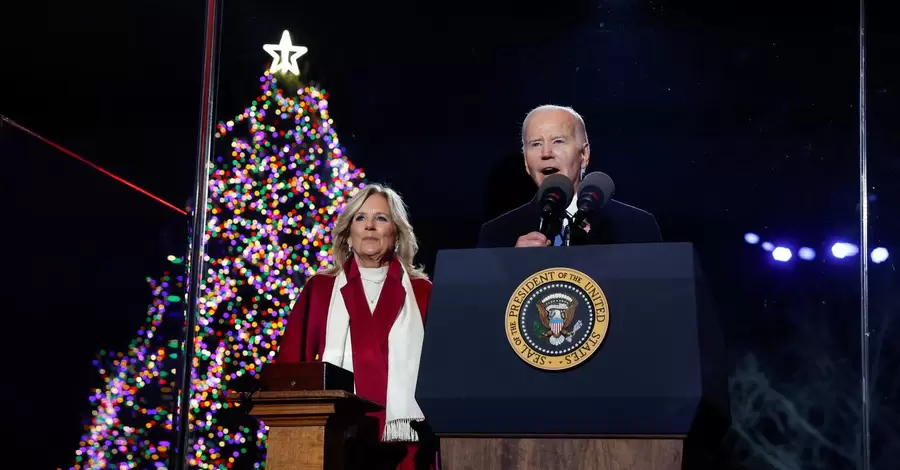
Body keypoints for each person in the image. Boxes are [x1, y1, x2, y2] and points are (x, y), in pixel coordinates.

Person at [275, 184, 435, 470]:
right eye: (361, 218)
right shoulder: (321, 288)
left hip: (406, 435)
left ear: (396, 232)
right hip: (336, 432)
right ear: (348, 233)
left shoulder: (423, 292)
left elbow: (440, 366)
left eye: (381, 218)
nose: (370, 226)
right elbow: (290, 368)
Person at [477, 104, 663, 248]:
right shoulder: (497, 235)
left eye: (558, 141)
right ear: (526, 161)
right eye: (535, 144)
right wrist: (516, 267)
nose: (546, 153)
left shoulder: (635, 226)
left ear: (584, 154)